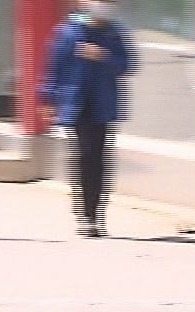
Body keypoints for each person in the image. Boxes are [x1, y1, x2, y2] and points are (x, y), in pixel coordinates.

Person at [39, 0, 135, 238]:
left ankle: (96, 213)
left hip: (103, 104)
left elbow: (127, 65)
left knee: (99, 159)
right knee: (84, 156)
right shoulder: (68, 31)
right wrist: (47, 99)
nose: (104, 6)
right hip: (76, 103)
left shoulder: (114, 33)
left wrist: (103, 55)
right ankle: (84, 214)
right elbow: (54, 67)